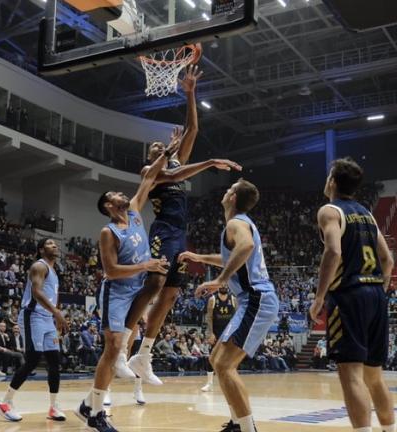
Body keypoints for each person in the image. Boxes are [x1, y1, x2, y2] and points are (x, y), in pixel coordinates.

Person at [127, 60, 243, 386]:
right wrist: (186, 158)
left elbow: (193, 130)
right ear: (151, 156)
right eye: (154, 148)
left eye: (161, 145)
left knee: (171, 294)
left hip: (180, 233)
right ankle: (123, 344)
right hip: (163, 229)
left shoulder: (175, 159)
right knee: (154, 286)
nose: (158, 147)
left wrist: (190, 94)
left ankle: (144, 353)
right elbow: (175, 173)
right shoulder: (150, 172)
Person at [75, 140, 174, 432]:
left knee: (122, 347)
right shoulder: (108, 232)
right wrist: (147, 265)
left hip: (138, 289)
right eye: (117, 194)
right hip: (116, 292)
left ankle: (88, 406)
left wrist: (167, 153)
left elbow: (148, 178)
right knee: (114, 348)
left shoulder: (133, 212)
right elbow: (111, 271)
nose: (123, 194)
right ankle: (95, 412)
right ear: (108, 205)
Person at [180, 179, 280, 432]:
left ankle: (247, 428)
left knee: (224, 365)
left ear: (233, 197)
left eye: (229, 189)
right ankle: (238, 423)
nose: (225, 191)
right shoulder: (239, 224)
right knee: (217, 360)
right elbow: (230, 256)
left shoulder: (237, 223)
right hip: (253, 299)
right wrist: (200, 257)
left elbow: (245, 247)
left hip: (256, 297)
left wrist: (221, 280)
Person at [308, 157, 396, 432]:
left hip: (348, 296)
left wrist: (320, 296)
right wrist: (377, 291)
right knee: (374, 376)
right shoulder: (366, 213)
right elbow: (388, 259)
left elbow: (333, 251)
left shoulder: (329, 211)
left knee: (350, 374)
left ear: (332, 181)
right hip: (376, 294)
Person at [0, 238, 67, 423]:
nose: (55, 245)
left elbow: (50, 296)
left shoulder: (55, 271)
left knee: (54, 361)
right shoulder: (39, 266)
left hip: (47, 318)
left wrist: (54, 317)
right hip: (32, 316)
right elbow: (36, 292)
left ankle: (53, 406)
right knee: (33, 359)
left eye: (55, 244)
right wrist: (57, 312)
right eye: (50, 244)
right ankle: (4, 402)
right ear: (41, 250)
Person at [202, 285, 236, 392]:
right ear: (218, 287)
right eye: (222, 285)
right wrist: (210, 333)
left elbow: (237, 317)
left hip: (229, 333)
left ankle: (230, 382)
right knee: (212, 357)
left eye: (226, 285)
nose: (224, 286)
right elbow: (209, 317)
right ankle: (209, 383)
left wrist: (235, 332)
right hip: (216, 333)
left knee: (230, 359)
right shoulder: (213, 299)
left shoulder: (233, 299)